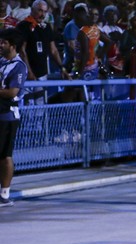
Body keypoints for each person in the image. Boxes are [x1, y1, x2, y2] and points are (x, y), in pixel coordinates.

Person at [16, 0, 69, 104]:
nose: (43, 14)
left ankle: (41, 121)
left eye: (45, 11)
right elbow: (22, 50)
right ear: (32, 10)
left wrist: (62, 68)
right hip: (27, 73)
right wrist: (29, 72)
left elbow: (53, 50)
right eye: (40, 11)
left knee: (40, 103)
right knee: (28, 104)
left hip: (42, 73)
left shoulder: (46, 27)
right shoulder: (23, 26)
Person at [0, 28, 26, 207]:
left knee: (4, 155)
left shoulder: (19, 66)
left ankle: (4, 195)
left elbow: (12, 92)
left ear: (12, 46)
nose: (0, 45)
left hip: (7, 115)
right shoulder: (1, 62)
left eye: (3, 43)